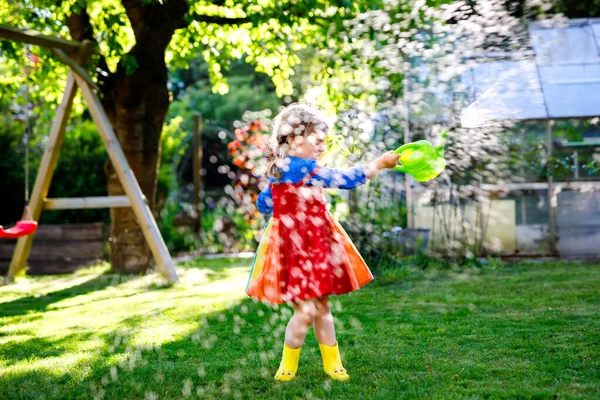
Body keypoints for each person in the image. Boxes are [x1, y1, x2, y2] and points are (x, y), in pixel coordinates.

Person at [245, 102, 401, 381]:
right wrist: (378, 164)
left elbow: (263, 203)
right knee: (307, 310)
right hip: (303, 248)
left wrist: (284, 215)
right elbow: (344, 179)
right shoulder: (301, 168)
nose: (321, 147)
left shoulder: (282, 170)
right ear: (293, 139)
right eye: (317, 141)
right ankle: (288, 367)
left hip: (306, 246)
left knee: (321, 306)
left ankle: (333, 364)